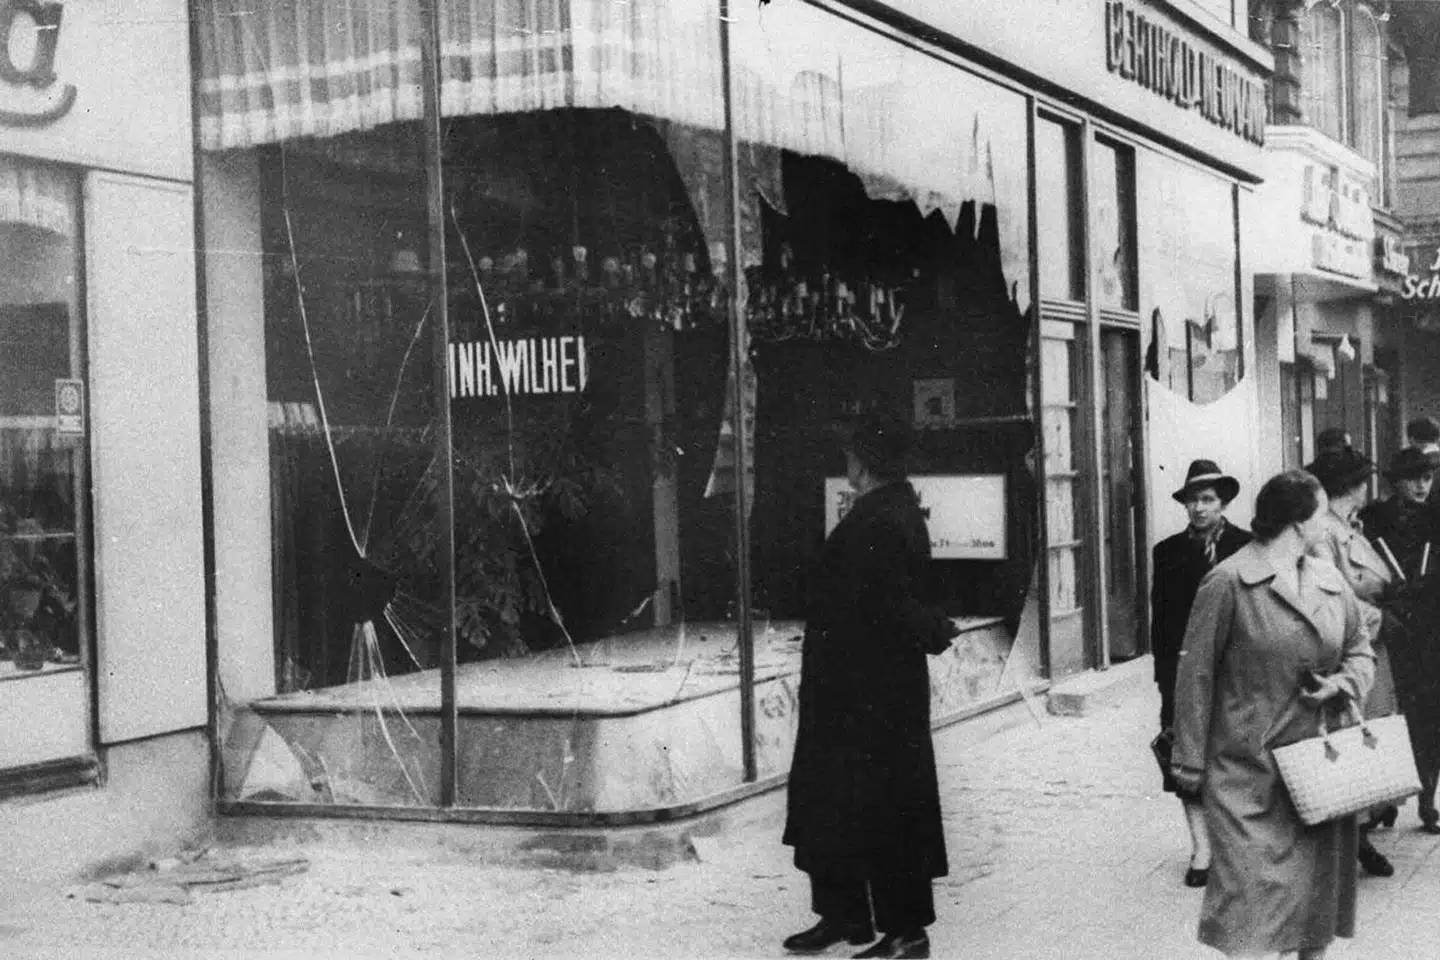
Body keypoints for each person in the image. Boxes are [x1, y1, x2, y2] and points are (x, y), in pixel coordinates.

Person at [1173, 469, 1375, 960]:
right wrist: (1190, 763)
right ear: (1300, 522)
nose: (1328, 521)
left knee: (1312, 915)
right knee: (1251, 913)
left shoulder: (1328, 578)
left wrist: (1343, 683)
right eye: (1322, 511)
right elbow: (1195, 675)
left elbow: (1360, 650)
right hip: (1247, 773)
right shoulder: (1228, 581)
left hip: (1318, 769)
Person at [781, 412, 958, 960]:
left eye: (851, 456)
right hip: (851, 692)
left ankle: (907, 932)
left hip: (873, 697)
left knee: (888, 808)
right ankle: (842, 914)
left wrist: (930, 629)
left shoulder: (886, 518)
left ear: (863, 461)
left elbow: (892, 604)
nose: (847, 465)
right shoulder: (885, 511)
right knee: (835, 803)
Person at [1150, 459, 1251, 888]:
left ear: (1222, 502)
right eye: (1192, 500)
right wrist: (1164, 676)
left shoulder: (1247, 546)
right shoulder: (1168, 552)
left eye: (1207, 499)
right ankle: (1202, 848)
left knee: (1236, 756)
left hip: (1236, 669)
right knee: (1184, 755)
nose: (1199, 508)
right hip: (1184, 670)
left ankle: (1236, 846)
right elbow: (1162, 620)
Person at [1304, 447, 1398, 877]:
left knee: (1367, 732)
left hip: (1370, 646)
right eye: (1363, 480)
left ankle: (1359, 830)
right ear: (1353, 486)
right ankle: (1352, 838)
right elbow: (1335, 596)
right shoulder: (1324, 532)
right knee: (1351, 738)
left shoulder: (1346, 527)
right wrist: (1383, 618)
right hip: (1352, 647)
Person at [1361, 446, 1440, 834]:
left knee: (1430, 717)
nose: (1423, 486)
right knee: (1388, 716)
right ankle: (1386, 801)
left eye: (1428, 478)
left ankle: (1427, 800)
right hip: (1389, 626)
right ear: (1396, 482)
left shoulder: (1437, 517)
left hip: (1430, 628)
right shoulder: (1373, 517)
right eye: (1414, 478)